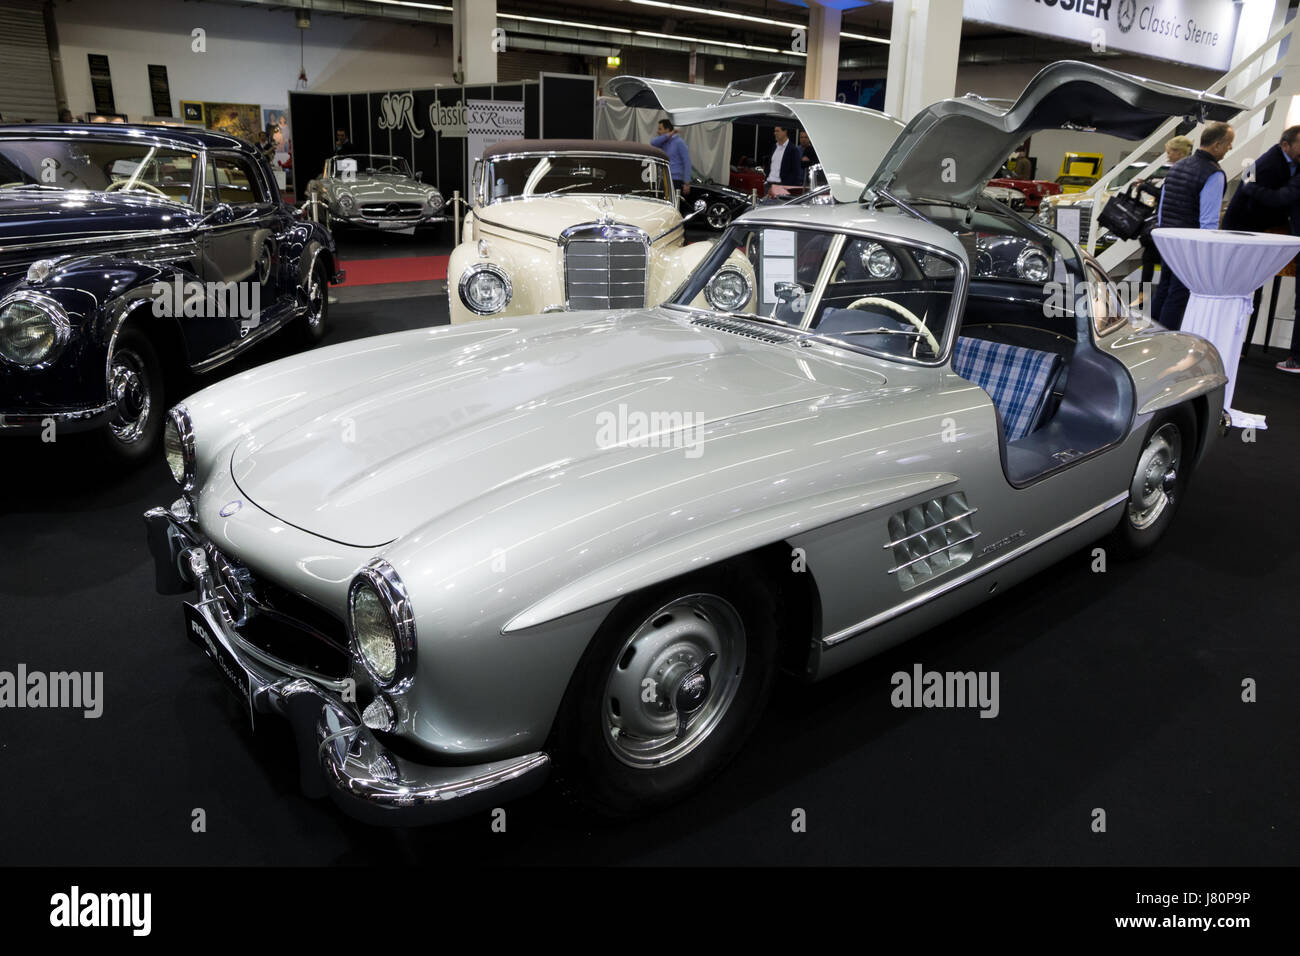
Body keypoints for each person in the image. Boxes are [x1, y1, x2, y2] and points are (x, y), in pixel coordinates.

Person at [1224, 126, 1300, 372]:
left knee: (1252, 291)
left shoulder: (1287, 162)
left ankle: (1240, 347)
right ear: (1286, 145)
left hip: (1262, 234)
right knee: (1243, 289)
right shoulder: (1269, 163)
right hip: (1245, 234)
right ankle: (1235, 346)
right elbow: (1270, 199)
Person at [1149, 122, 1234, 331]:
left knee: (1164, 288)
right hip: (1189, 244)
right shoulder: (1213, 174)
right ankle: (1165, 341)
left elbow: (1162, 207)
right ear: (1216, 145)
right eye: (1229, 144)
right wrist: (1207, 252)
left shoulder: (1178, 166)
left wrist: (1162, 233)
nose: (1230, 148)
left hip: (1168, 237)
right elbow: (1208, 221)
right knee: (1178, 294)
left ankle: (1151, 334)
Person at [1138, 136, 1194, 293]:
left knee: (1152, 258)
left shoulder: (1178, 171)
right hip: (1172, 224)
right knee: (1151, 258)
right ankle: (1145, 294)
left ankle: (1144, 294)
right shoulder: (1184, 170)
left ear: (1180, 152)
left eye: (1170, 152)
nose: (1167, 155)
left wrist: (1146, 187)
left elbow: (1164, 194)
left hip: (1171, 225)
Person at [651, 118, 690, 196]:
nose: (658, 132)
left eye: (660, 129)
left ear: (667, 129)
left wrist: (687, 182)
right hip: (663, 178)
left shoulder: (679, 142)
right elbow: (653, 143)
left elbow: (687, 162)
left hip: (675, 180)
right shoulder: (662, 142)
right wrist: (669, 135)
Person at [766, 125, 803, 196]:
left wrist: (786, 187)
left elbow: (796, 172)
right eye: (774, 131)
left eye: (777, 131)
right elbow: (770, 165)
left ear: (785, 132)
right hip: (769, 184)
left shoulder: (793, 149)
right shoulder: (774, 147)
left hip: (781, 186)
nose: (775, 133)